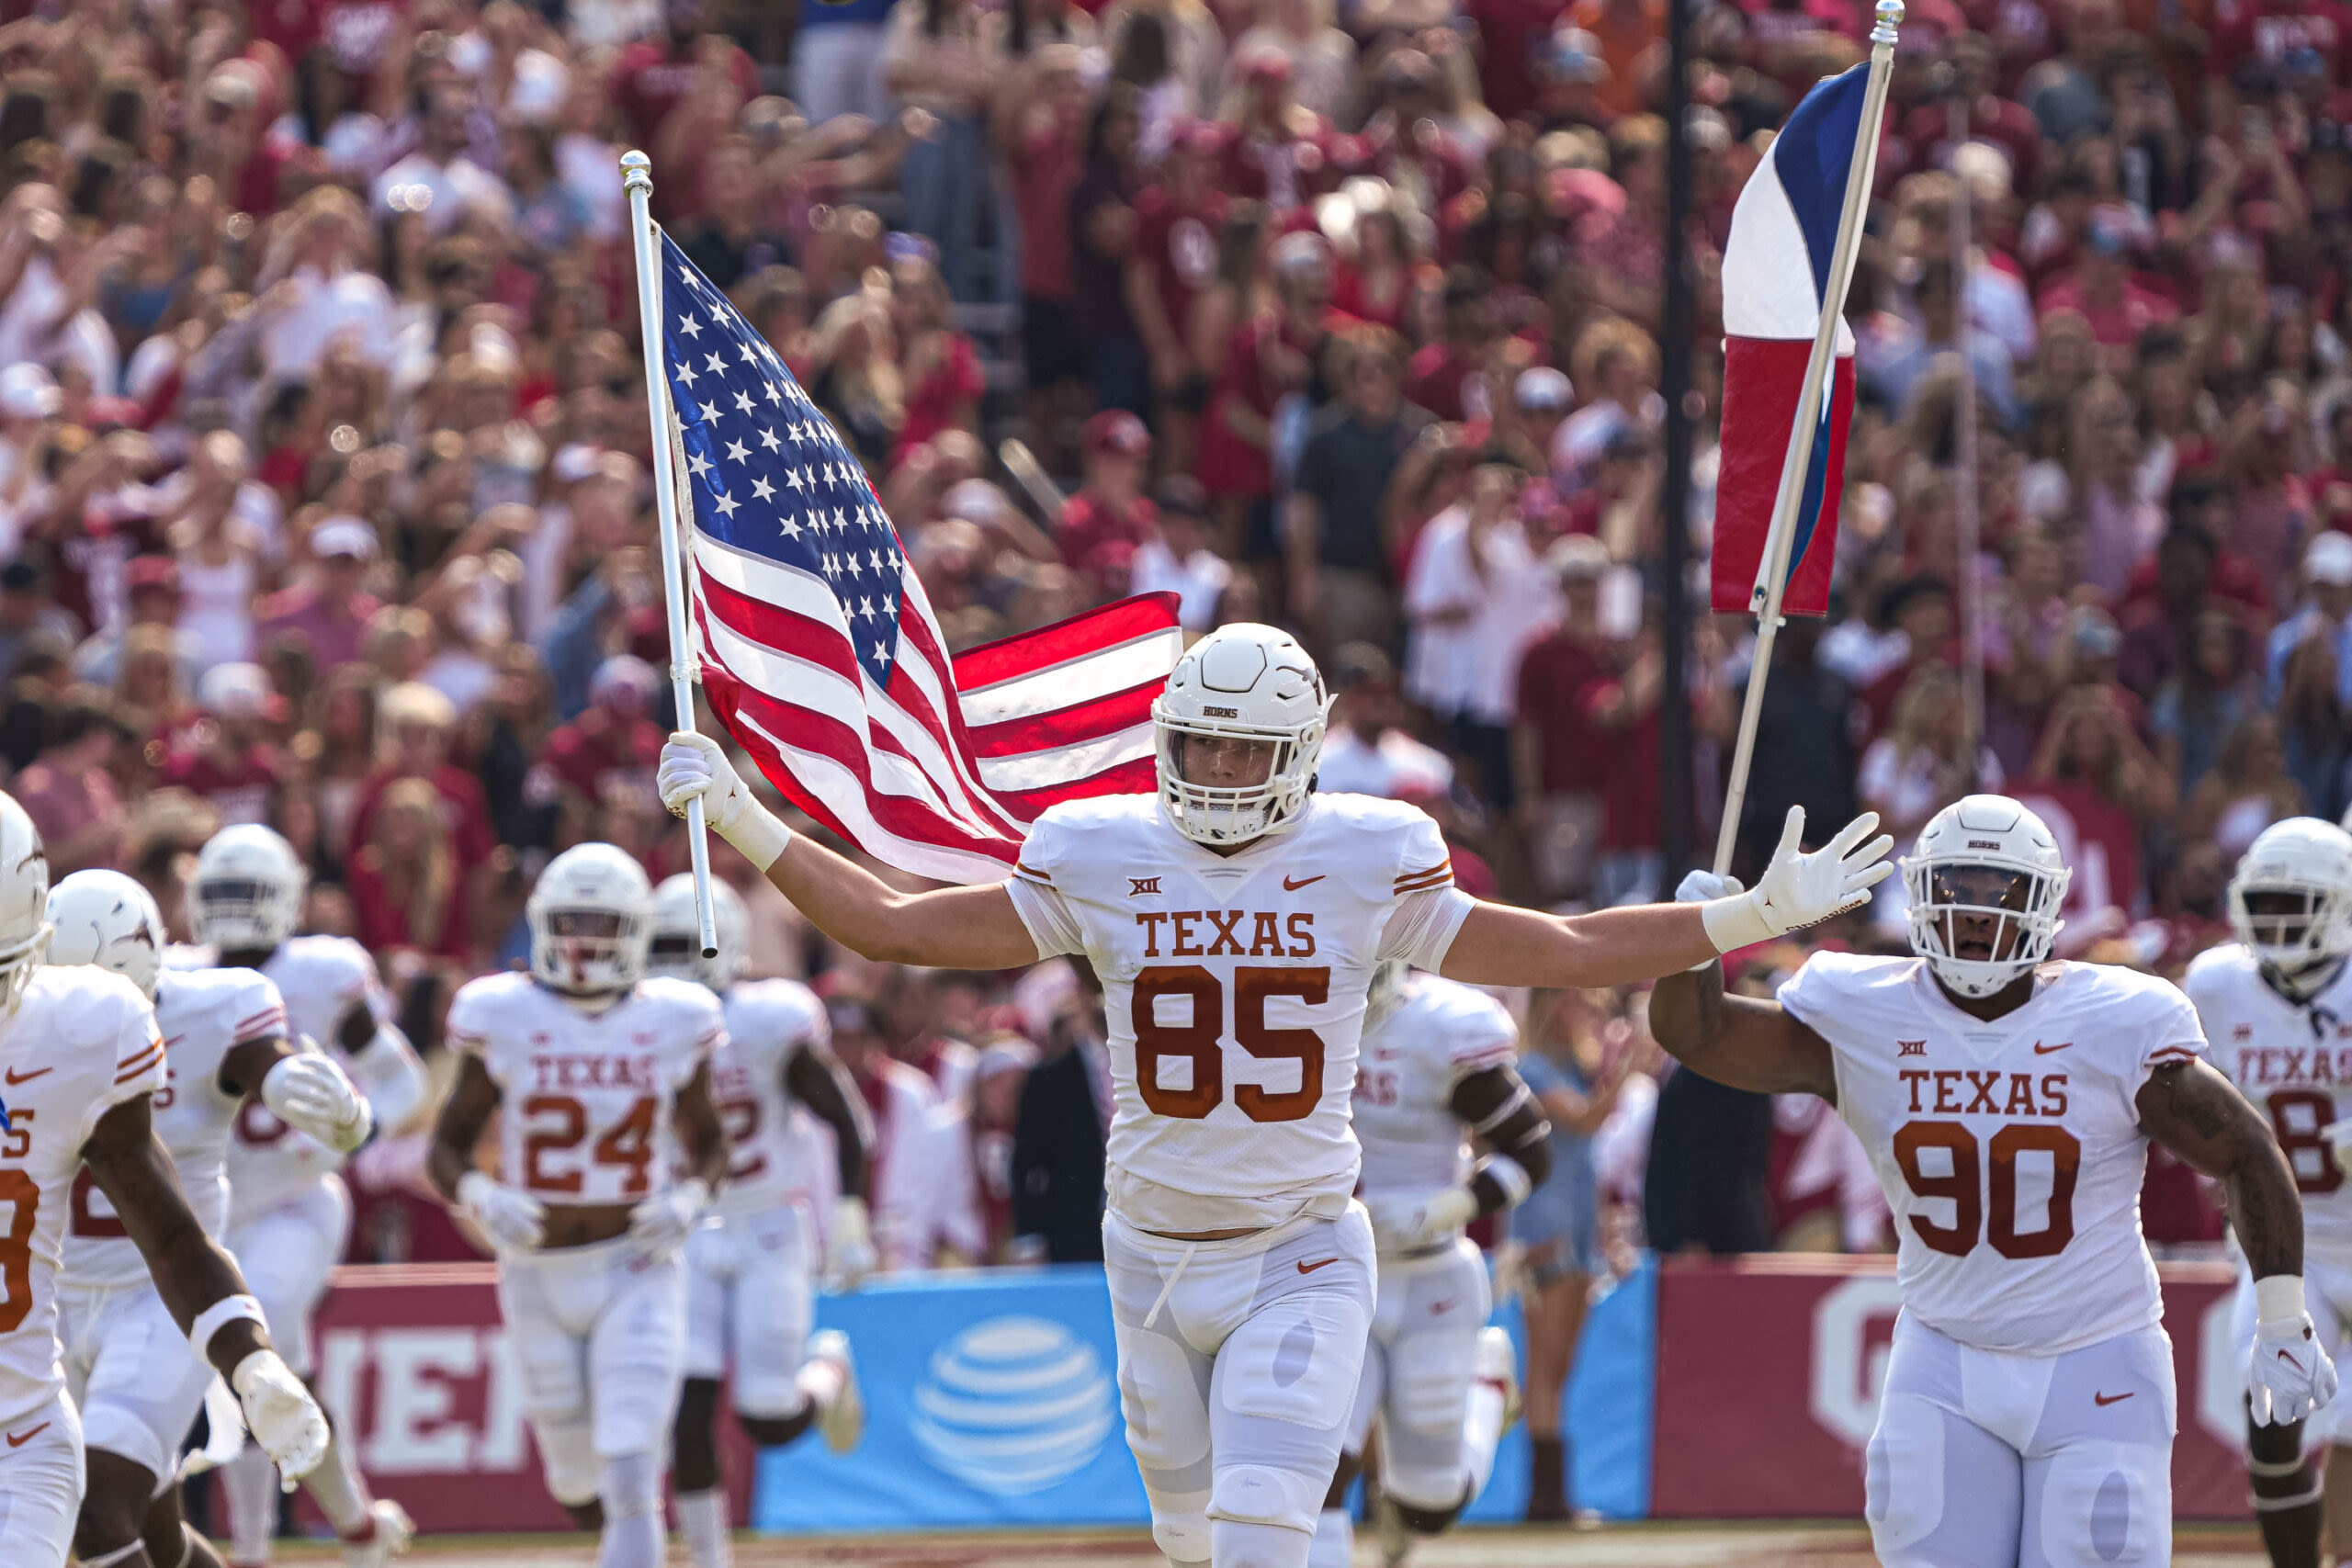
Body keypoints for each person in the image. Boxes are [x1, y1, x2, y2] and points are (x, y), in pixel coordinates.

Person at [659, 621, 1894, 1568]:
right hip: (1144, 1252)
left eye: (1249, 747)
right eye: (1201, 741)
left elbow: (1562, 945)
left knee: (1261, 1532)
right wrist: (745, 819)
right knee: (1195, 1539)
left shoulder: (1365, 852)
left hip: (1299, 1246)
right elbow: (893, 922)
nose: (1220, 767)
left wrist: (1746, 916)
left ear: (1300, 754)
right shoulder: (1103, 850)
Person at [1651, 794, 2333, 1567]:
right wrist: (1700, 937)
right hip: (1944, 1356)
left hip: (2097, 1357)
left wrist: (2283, 1316)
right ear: (1921, 893)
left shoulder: (2110, 1017)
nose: (1975, 914)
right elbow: (1697, 1033)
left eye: (1999, 890)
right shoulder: (1868, 1012)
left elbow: (2245, 1149)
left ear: (2045, 902)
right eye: (1957, 887)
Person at [0, 792, 328, 1568]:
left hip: (18, 1437)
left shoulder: (74, 1029)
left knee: (115, 1507)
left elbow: (174, 1236)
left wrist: (251, 1362)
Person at [44, 871, 392, 1568]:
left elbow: (266, 1065)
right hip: (45, 1298)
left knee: (96, 1509)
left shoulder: (214, 1006)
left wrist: (307, 1092)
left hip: (162, 1297)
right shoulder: (20, 1022)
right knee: (159, 1537)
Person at [425, 843, 729, 1568]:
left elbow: (711, 1143)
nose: (583, 940)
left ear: (636, 932)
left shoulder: (674, 1017)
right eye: (569, 921)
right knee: (574, 1478)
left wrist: (689, 1196)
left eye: (601, 922)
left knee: (631, 1467)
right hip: (534, 1270)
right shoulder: (501, 1010)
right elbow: (446, 1145)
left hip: (638, 1263)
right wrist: (478, 1192)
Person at [183, 824, 430, 1566]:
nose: (233, 912)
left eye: (247, 895)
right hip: (205, 1215)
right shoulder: (175, 975)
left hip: (296, 1200)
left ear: (286, 899)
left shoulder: (323, 973)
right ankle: (357, 1520)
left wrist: (353, 1133)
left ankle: (254, 1550)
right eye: (220, 894)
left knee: (250, 1365)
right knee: (285, 1375)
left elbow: (404, 1080)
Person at [645, 875, 876, 1568]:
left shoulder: (769, 1017)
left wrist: (850, 1215)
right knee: (686, 1412)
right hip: (688, 1229)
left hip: (769, 1225)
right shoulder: (642, 1020)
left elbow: (844, 1117)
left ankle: (828, 1367)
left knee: (769, 1419)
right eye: (663, 946)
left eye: (687, 943)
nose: (676, 961)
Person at [1310, 963, 1549, 1568]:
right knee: (1316, 1463)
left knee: (1428, 1506)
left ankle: (1488, 1385)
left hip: (1431, 1277)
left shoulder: (1437, 1027)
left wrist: (1446, 1206)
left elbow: (1531, 1152)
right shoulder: (1278, 1015)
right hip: (1333, 1274)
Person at [2188, 818, 2352, 1568]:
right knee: (2270, 1423)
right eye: (2269, 901)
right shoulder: (2217, 984)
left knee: (2350, 1437)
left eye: (2299, 902)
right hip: (2287, 1244)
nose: (2280, 920)